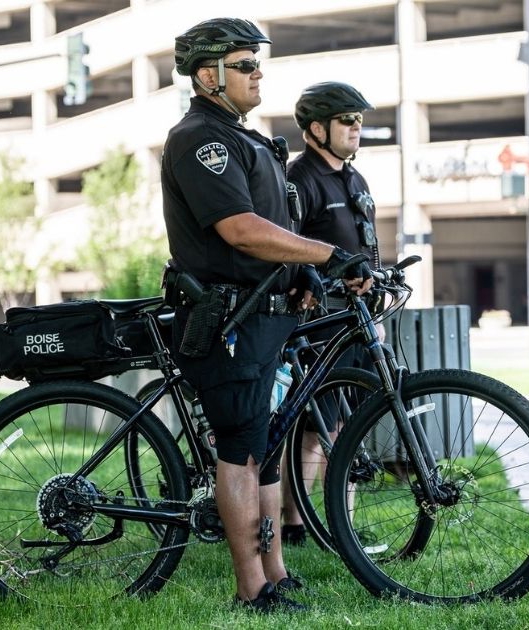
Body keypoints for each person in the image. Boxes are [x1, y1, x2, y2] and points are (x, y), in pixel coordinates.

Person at [162, 17, 372, 613]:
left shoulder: (247, 139)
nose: (259, 74)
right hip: (228, 320)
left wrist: (303, 272)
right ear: (209, 76)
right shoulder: (200, 139)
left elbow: (276, 232)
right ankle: (251, 589)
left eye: (259, 63)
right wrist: (330, 254)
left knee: (270, 445)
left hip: (265, 317)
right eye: (246, 64)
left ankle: (276, 573)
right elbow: (241, 231)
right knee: (241, 449)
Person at [278, 81, 378, 547]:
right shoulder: (301, 180)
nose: (357, 128)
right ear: (317, 129)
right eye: (347, 120)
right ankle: (294, 522)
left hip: (358, 320)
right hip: (320, 321)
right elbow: (288, 247)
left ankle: (345, 523)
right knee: (318, 425)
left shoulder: (354, 178)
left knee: (353, 424)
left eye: (359, 120)